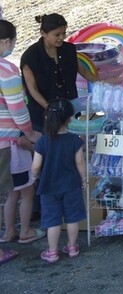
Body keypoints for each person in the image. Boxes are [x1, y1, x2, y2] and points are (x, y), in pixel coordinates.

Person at [0, 20, 41, 264]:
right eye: (12, 42)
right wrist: (29, 133)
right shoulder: (6, 70)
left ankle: (9, 232)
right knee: (22, 189)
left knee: (8, 194)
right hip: (8, 142)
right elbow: (17, 108)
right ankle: (24, 231)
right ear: (6, 42)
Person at [20, 14, 97, 135]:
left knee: (71, 142)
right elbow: (33, 89)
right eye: (57, 34)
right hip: (42, 112)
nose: (61, 37)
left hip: (69, 106)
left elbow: (84, 72)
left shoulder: (69, 49)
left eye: (64, 33)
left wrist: (103, 83)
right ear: (43, 33)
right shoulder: (30, 56)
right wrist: (49, 108)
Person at [31, 98, 87, 263]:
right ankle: (72, 247)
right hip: (71, 185)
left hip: (48, 187)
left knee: (52, 220)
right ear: (69, 119)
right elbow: (80, 163)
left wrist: (34, 177)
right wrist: (84, 179)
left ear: (48, 118)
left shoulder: (42, 141)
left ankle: (52, 251)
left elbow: (35, 166)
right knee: (72, 218)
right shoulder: (75, 140)